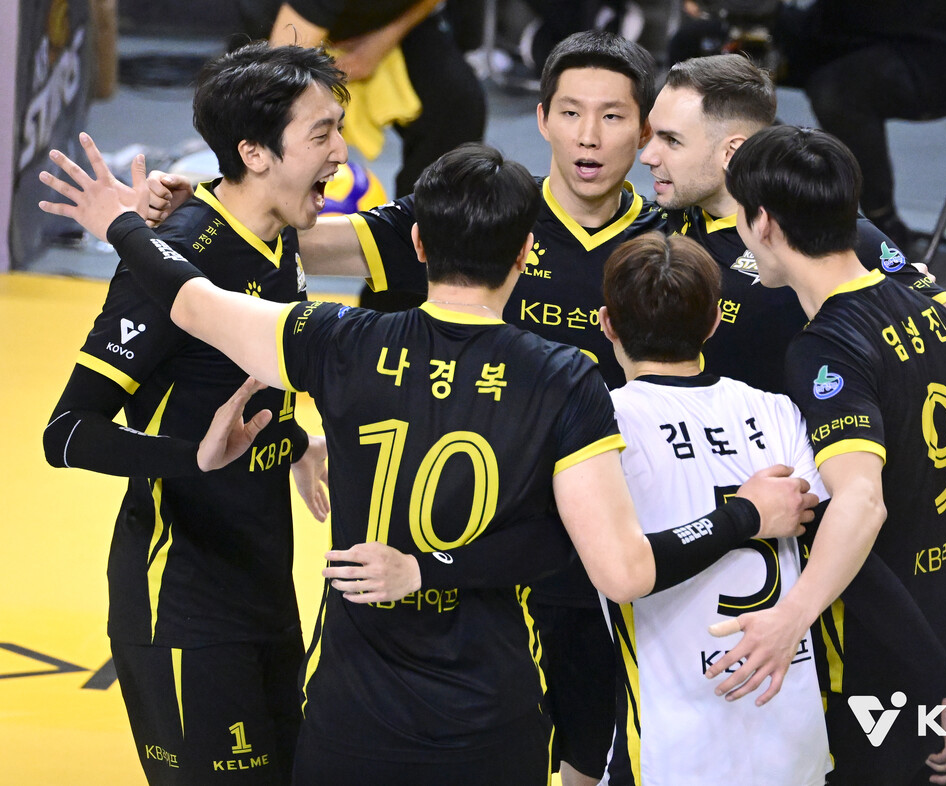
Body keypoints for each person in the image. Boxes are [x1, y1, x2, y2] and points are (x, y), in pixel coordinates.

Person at [39, 137, 818, 784]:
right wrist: (744, 514)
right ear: (526, 252)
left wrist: (124, 224)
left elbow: (190, 298)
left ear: (416, 247)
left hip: (352, 713)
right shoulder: (565, 376)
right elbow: (622, 573)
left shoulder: (336, 339)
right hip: (489, 715)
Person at [38, 43, 342, 784]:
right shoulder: (174, 259)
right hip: (181, 606)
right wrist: (193, 459)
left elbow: (230, 383)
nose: (341, 153)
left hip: (265, 587)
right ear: (255, 153)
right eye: (322, 133)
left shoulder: (277, 236)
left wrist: (291, 438)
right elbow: (66, 433)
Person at [707, 125, 946, 785]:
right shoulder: (932, 316)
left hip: (882, 657)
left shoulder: (825, 348)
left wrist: (790, 617)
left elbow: (862, 501)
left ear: (763, 223)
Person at [639, 53, 946, 430]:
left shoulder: (821, 230)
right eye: (651, 134)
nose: (647, 156)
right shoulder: (652, 221)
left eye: (671, 141)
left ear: (732, 151)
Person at [598, 232, 832, 785]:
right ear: (714, 322)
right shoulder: (776, 412)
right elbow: (825, 526)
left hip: (672, 746)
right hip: (791, 733)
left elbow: (614, 571)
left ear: (606, 324)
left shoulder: (603, 424)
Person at [771, 0, 946, 245]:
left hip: (923, 45)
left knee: (838, 92)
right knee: (737, 65)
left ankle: (882, 222)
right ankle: (776, 201)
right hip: (837, 30)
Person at [270, 0, 486, 198]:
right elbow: (281, 73)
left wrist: (377, 46)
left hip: (379, 24)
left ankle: (420, 221)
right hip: (282, 31)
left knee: (458, 106)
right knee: (280, 121)